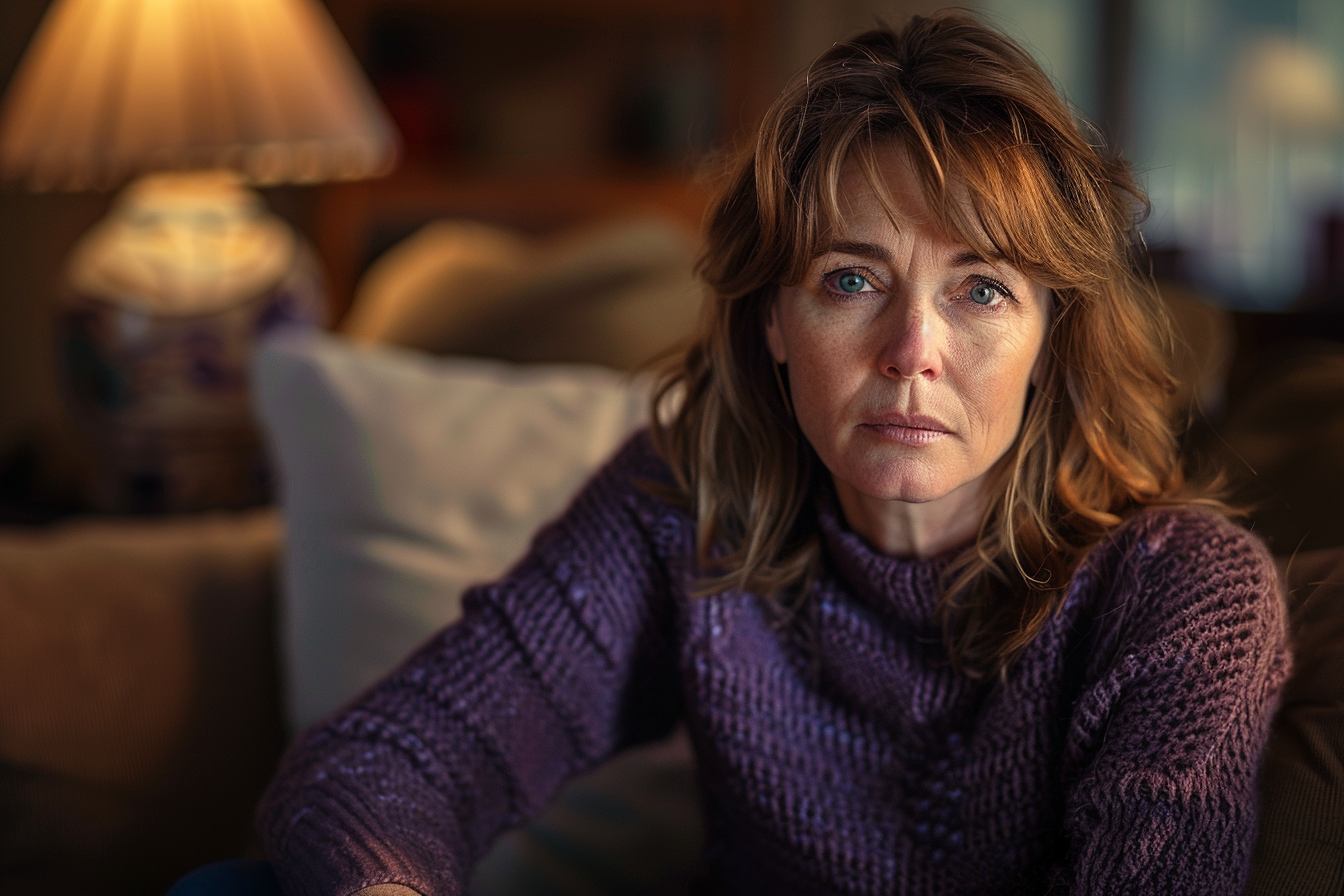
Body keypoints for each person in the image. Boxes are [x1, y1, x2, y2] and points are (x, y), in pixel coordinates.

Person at [251, 12, 1289, 896]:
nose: (911, 354)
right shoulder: (682, 510)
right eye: (850, 279)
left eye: (981, 289)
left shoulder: (1183, 591)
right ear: (773, 322)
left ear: (1049, 338)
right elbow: (387, 759)